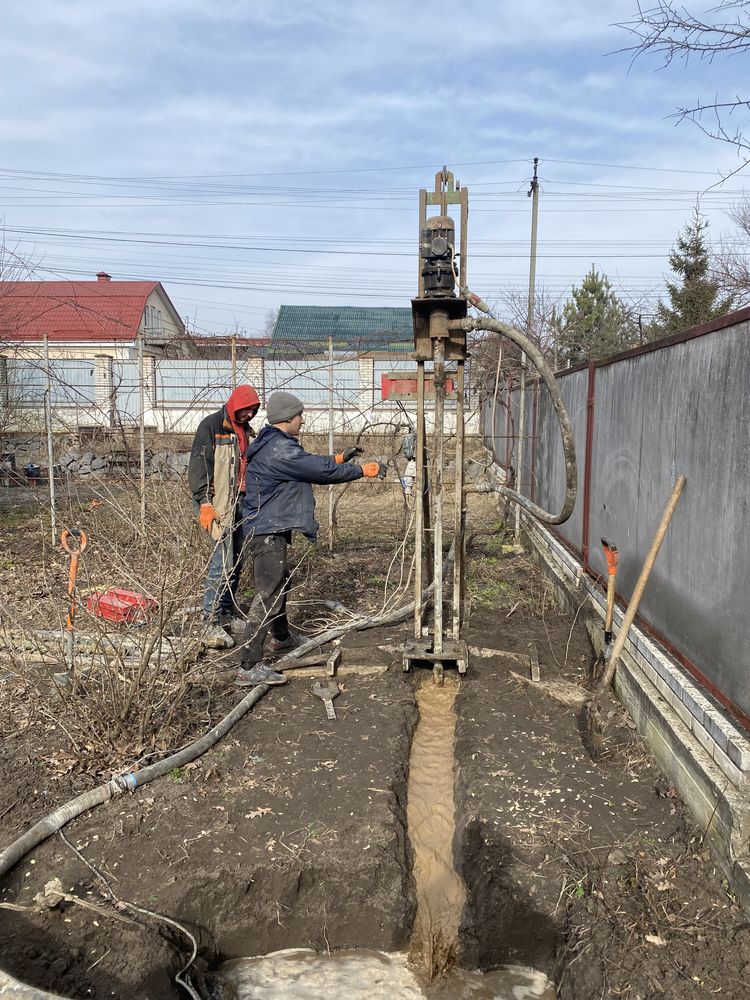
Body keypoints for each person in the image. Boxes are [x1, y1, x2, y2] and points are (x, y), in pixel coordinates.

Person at [235, 390, 385, 686]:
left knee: (280, 583)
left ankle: (281, 638)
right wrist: (359, 470)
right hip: (266, 531)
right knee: (268, 594)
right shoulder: (279, 449)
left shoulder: (276, 445)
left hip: (269, 527)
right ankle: (248, 666)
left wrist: (338, 458)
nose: (302, 421)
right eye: (299, 415)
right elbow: (317, 470)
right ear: (287, 418)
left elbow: (307, 462)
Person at [188, 383, 260, 638]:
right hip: (220, 505)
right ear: (234, 405)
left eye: (253, 410)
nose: (249, 414)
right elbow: (199, 465)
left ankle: (227, 613)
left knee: (237, 561)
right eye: (245, 409)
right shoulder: (212, 426)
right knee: (222, 563)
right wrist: (203, 503)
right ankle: (210, 621)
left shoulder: (245, 431)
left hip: (243, 502)